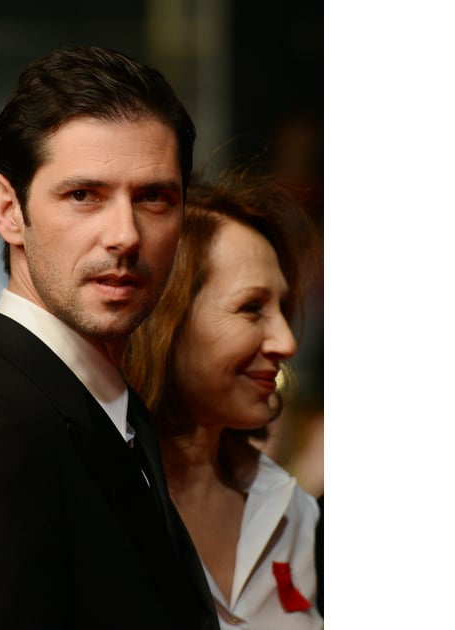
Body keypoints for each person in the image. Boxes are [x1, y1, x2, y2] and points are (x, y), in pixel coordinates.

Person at [0, 47, 217, 629]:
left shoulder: (109, 408)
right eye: (84, 195)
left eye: (154, 197)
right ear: (9, 210)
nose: (125, 235)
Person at [124, 172, 323, 629]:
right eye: (252, 308)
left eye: (283, 309)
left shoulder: (290, 508)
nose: (286, 342)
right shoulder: (91, 499)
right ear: (165, 318)